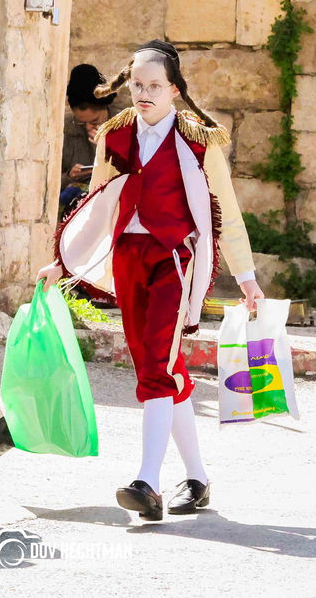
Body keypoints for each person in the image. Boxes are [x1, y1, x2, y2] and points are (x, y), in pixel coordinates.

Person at [37, 40, 264, 522]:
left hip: (173, 261)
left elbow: (227, 211)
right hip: (128, 259)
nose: (144, 94)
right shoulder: (116, 136)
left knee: (158, 366)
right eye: (137, 85)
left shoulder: (200, 142)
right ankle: (198, 478)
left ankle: (147, 482)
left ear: (175, 90)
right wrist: (62, 261)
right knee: (160, 368)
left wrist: (247, 278)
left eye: (154, 86)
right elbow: (96, 205)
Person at [59, 64, 116, 215]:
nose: (88, 128)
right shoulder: (64, 129)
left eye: (95, 121)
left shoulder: (125, 124)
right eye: (81, 123)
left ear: (105, 108)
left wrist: (107, 147)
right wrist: (69, 176)